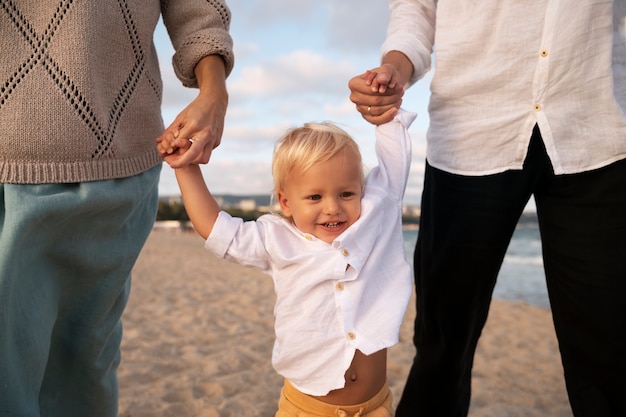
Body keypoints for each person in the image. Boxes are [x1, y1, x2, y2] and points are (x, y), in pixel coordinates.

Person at [348, 1, 626, 416]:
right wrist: (397, 67)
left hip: (598, 128)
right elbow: (417, 8)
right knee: (443, 343)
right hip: (471, 132)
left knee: (612, 344)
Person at [0, 1, 233, 416]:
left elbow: (196, 8)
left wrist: (215, 90)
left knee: (86, 374)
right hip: (10, 158)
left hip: (126, 163)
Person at [157, 108, 416, 416]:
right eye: (314, 198)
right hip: (307, 409)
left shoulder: (375, 217)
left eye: (346, 194)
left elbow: (394, 165)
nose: (333, 208)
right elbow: (217, 230)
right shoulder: (276, 238)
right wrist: (186, 169)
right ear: (285, 202)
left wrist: (386, 111)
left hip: (376, 406)